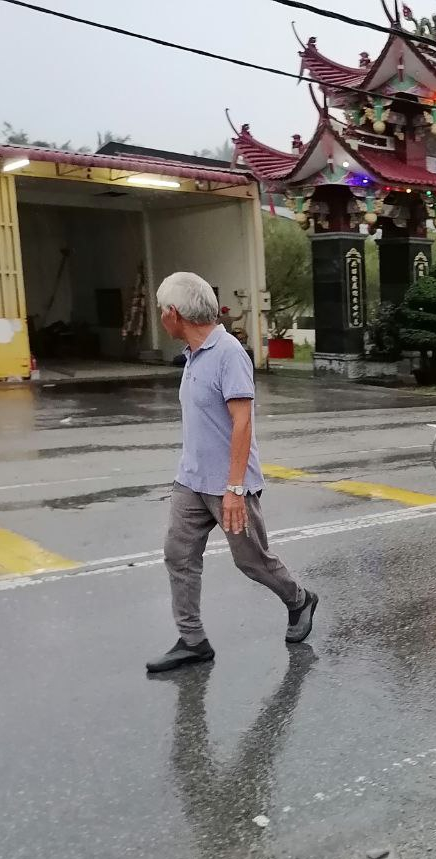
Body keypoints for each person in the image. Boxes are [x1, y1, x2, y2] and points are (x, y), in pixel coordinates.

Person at [146, 272, 318, 672]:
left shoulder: (228, 353)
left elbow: (243, 423)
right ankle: (192, 640)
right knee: (178, 555)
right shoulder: (192, 354)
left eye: (161, 311)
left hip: (228, 484)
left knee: (252, 561)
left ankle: (299, 599)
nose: (161, 318)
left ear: (174, 313)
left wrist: (235, 488)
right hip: (190, 480)